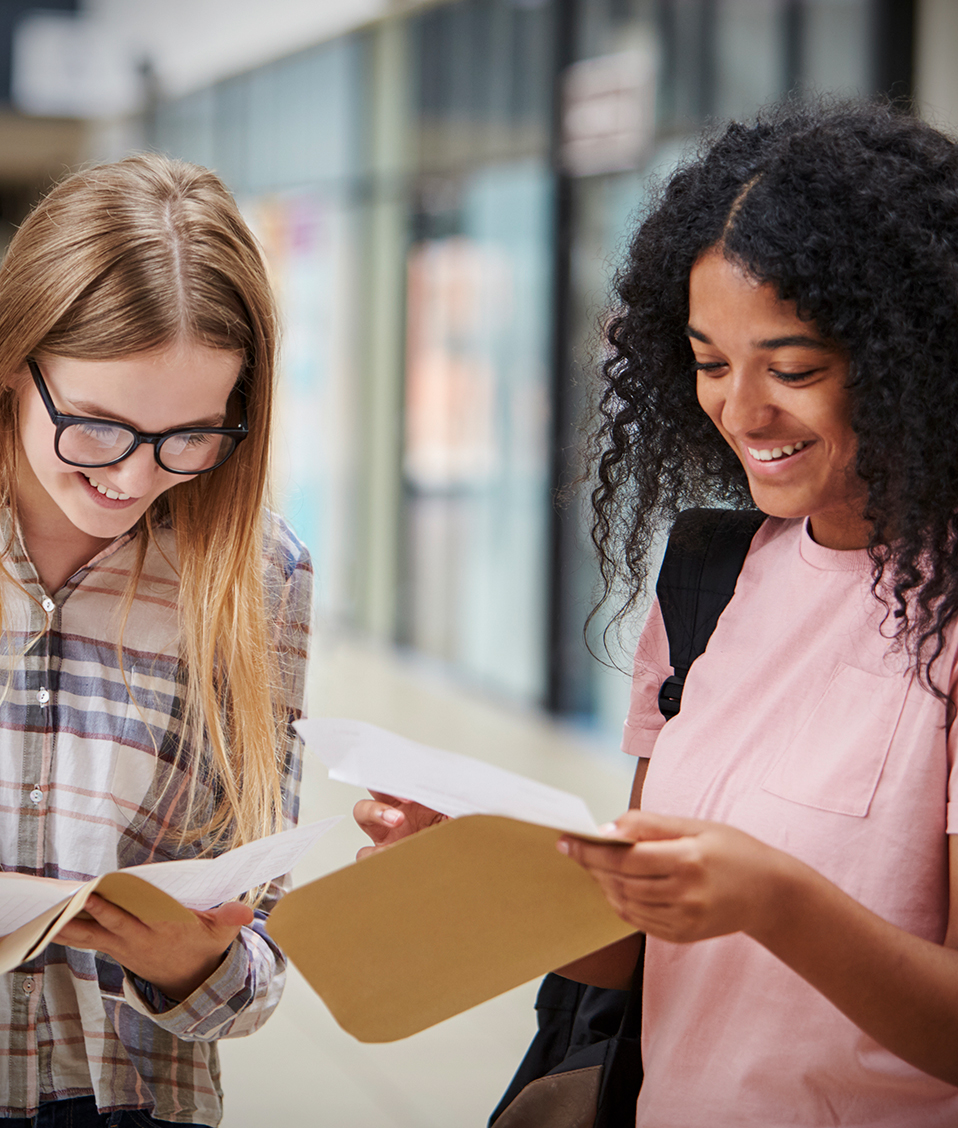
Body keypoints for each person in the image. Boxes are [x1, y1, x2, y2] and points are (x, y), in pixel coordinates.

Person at [358, 101, 958, 1124]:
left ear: (914, 357)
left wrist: (776, 901)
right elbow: (635, 951)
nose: (741, 410)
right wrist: (481, 872)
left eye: (795, 367)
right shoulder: (710, 581)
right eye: (710, 362)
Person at [0, 155, 312, 1127]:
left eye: (189, 436)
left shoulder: (257, 578)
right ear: (14, 363)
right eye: (96, 428)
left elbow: (257, 966)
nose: (134, 481)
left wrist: (202, 964)